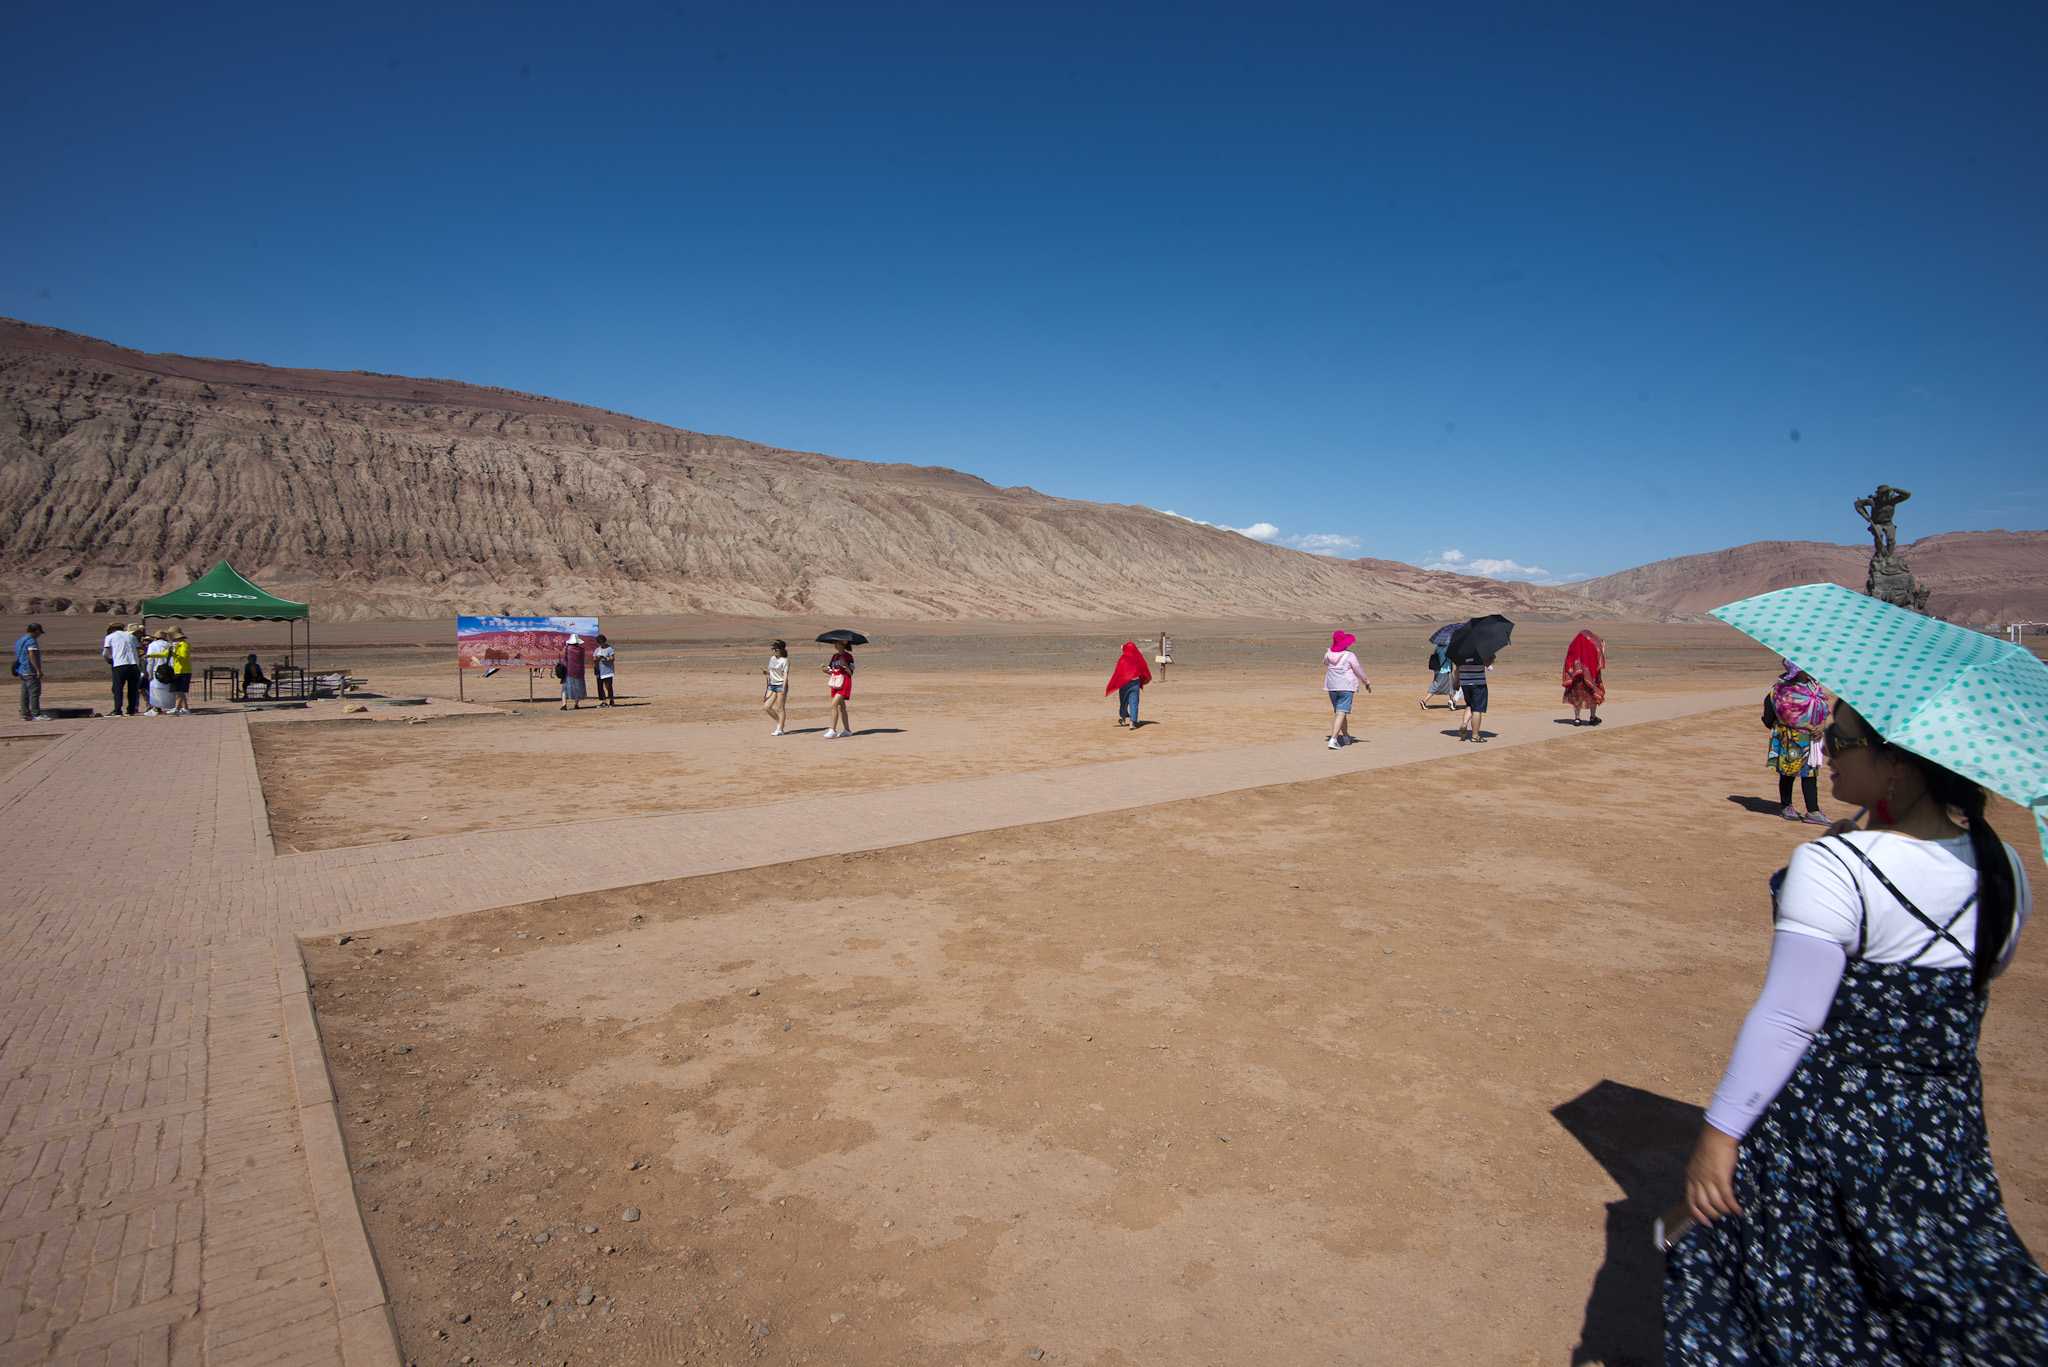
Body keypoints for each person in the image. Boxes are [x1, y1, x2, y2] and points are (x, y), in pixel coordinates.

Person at [1667, 700, 2046, 1363]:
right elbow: (1981, 973)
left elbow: (1789, 1017)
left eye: (1839, 741)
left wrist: (1719, 1137)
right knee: (1938, 1287)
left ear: (1896, 764)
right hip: (1943, 1130)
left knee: (1792, 1290)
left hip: (1824, 1127)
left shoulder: (1836, 865)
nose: (1824, 751)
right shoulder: (2006, 866)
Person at [1767, 660, 1832, 825]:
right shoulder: (1784, 689)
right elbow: (1785, 714)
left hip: (1811, 738)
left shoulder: (1813, 686)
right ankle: (1786, 806)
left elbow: (1823, 708)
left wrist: (1821, 727)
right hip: (1792, 737)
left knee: (1810, 772)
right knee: (1789, 772)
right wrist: (1810, 727)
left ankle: (1813, 811)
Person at [1323, 630, 1369, 749]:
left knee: (1340, 713)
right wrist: (1366, 682)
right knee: (1341, 712)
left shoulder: (1328, 654)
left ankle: (1345, 737)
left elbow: (1325, 663)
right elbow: (1358, 669)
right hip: (1346, 687)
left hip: (1332, 687)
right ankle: (1333, 740)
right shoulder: (1349, 656)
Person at [1561, 630, 1605, 725]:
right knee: (1593, 694)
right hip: (1591, 676)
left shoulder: (1574, 645)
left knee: (1577, 696)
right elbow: (1598, 657)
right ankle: (1593, 717)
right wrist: (1603, 647)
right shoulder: (1592, 646)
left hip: (1577, 677)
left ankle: (1577, 718)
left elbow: (1569, 660)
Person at [1107, 640, 1151, 728]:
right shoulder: (1138, 658)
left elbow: (1118, 673)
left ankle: (1123, 720)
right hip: (1135, 684)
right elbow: (1143, 669)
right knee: (1134, 703)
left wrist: (1115, 684)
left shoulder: (1123, 659)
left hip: (1124, 684)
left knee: (1124, 701)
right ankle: (1132, 723)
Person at [103, 619, 142, 716]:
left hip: (119, 664)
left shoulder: (109, 637)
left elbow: (105, 653)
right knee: (132, 689)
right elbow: (137, 651)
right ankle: (131, 709)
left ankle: (117, 710)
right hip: (133, 664)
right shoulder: (131, 636)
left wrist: (109, 660)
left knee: (117, 688)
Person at [1454, 654, 1493, 742]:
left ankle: (1464, 723)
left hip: (1464, 682)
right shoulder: (1480, 650)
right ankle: (1475, 735)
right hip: (1478, 683)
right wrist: (1490, 657)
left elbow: (1458, 667)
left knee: (1470, 705)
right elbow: (1487, 663)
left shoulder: (1461, 651)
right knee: (1477, 709)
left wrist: (1456, 681)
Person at [14, 622, 47, 722]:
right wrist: (38, 670)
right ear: (37, 631)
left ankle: (25, 714)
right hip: (30, 671)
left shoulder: (21, 640)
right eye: (39, 632)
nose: (39, 635)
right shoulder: (31, 641)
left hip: (22, 670)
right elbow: (31, 655)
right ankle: (36, 714)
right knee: (34, 693)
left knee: (24, 693)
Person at [822, 640, 855, 737]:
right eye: (835, 644)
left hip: (844, 683)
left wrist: (844, 664)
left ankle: (832, 730)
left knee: (833, 705)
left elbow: (851, 672)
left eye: (838, 644)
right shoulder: (834, 656)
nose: (836, 645)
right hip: (836, 683)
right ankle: (847, 730)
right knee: (841, 707)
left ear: (843, 645)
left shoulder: (848, 657)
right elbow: (832, 670)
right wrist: (826, 670)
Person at [144, 631, 176, 715]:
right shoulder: (169, 645)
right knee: (168, 690)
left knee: (155, 691)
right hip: (168, 670)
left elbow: (150, 660)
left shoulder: (152, 645)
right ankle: (172, 707)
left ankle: (155, 709)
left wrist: (149, 672)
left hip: (156, 670)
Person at [763, 639, 790, 735]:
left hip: (780, 685)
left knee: (780, 707)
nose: (774, 651)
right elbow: (772, 671)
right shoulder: (772, 658)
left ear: (781, 650)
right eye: (773, 649)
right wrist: (767, 673)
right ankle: (780, 723)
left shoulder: (785, 661)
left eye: (776, 649)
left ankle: (780, 729)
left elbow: (785, 674)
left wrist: (783, 687)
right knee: (767, 707)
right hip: (772, 685)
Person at [1420, 643, 1456, 710]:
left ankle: (1424, 700)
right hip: (1446, 670)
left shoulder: (1438, 648)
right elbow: (1450, 658)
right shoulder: (1447, 649)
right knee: (1451, 688)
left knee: (1434, 686)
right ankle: (1452, 702)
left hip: (1438, 670)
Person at [165, 627, 193, 714]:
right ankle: (185, 708)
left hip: (183, 671)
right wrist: (150, 655)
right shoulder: (174, 645)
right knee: (179, 691)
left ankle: (176, 709)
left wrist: (173, 653)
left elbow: (183, 658)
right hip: (176, 670)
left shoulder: (183, 645)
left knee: (179, 691)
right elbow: (164, 654)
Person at [559, 633, 589, 710]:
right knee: (578, 688)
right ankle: (576, 704)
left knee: (565, 688)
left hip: (568, 671)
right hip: (579, 671)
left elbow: (561, 656)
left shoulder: (567, 649)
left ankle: (564, 704)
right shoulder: (581, 650)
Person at [594, 634, 616, 706]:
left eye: (602, 642)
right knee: (600, 686)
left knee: (608, 686)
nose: (601, 644)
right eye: (599, 643)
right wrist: (596, 658)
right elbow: (594, 659)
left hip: (607, 670)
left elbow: (612, 659)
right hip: (599, 670)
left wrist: (605, 658)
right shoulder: (597, 649)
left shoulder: (609, 649)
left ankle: (611, 699)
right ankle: (603, 701)